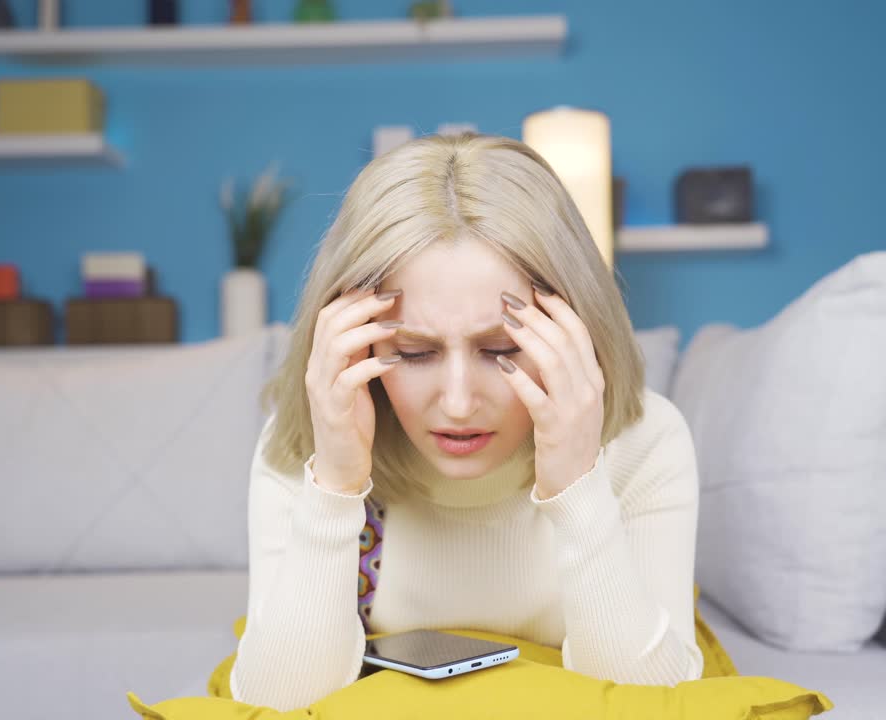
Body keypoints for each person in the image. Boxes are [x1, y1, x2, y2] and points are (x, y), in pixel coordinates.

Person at [229, 133, 704, 711]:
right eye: (414, 351)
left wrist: (577, 484)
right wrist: (335, 483)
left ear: (578, 328)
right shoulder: (305, 444)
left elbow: (659, 702)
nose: (457, 403)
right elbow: (274, 704)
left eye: (502, 347)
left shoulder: (647, 442)